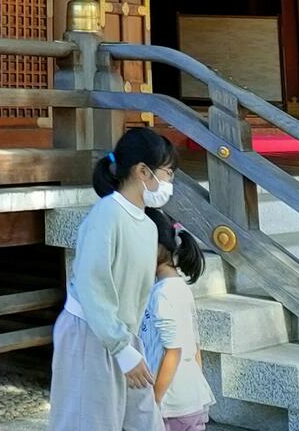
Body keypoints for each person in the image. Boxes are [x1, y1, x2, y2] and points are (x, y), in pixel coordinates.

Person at [51, 126, 178, 431]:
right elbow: (92, 286)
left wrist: (127, 345)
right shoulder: (106, 215)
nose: (170, 182)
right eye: (168, 172)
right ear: (143, 172)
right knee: (89, 421)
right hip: (91, 334)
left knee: (146, 421)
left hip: (123, 336)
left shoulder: (147, 226)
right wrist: (120, 348)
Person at [139, 208, 213, 431]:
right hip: (189, 400)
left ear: (156, 248)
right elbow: (195, 347)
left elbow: (174, 351)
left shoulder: (163, 294)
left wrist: (153, 401)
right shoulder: (177, 287)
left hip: (171, 406)